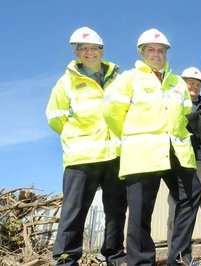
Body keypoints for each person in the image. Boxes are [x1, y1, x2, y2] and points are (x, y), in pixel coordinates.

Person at [102, 28, 201, 265]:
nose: (157, 54)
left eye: (161, 50)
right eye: (152, 50)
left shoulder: (177, 82)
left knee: (191, 195)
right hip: (141, 153)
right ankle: (141, 261)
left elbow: (185, 112)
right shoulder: (128, 79)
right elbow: (111, 113)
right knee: (140, 213)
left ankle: (178, 258)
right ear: (142, 52)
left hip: (174, 151)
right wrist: (130, 136)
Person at [46, 26, 127, 265]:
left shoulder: (118, 79)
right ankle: (65, 257)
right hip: (82, 157)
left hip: (115, 154)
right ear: (76, 52)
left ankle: (113, 254)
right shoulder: (66, 82)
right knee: (74, 211)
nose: (89, 53)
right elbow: (55, 117)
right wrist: (77, 136)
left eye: (93, 48)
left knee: (116, 210)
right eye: (83, 49)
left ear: (102, 51)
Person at [166, 67, 201, 264]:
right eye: (190, 82)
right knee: (177, 207)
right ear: (182, 83)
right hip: (180, 163)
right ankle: (177, 254)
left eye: (198, 84)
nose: (194, 86)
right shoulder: (173, 104)